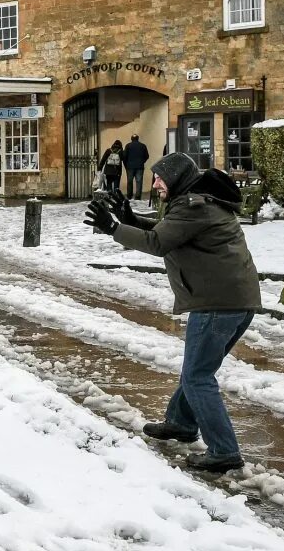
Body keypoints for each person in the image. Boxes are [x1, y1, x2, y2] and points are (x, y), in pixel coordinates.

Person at [85, 152, 261, 472]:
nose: (155, 183)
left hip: (217, 305)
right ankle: (181, 423)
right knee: (196, 370)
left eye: (160, 177)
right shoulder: (198, 203)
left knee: (197, 376)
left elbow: (157, 243)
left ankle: (224, 450)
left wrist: (113, 227)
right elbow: (169, 231)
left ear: (177, 177)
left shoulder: (195, 205)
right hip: (232, 301)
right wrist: (129, 217)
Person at [122, 134, 150, 201]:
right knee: (139, 181)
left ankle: (129, 195)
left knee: (130, 181)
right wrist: (142, 161)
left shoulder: (128, 145)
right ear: (138, 138)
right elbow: (147, 156)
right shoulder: (143, 146)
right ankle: (138, 196)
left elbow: (124, 156)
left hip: (130, 166)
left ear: (131, 139)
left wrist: (126, 165)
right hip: (140, 166)